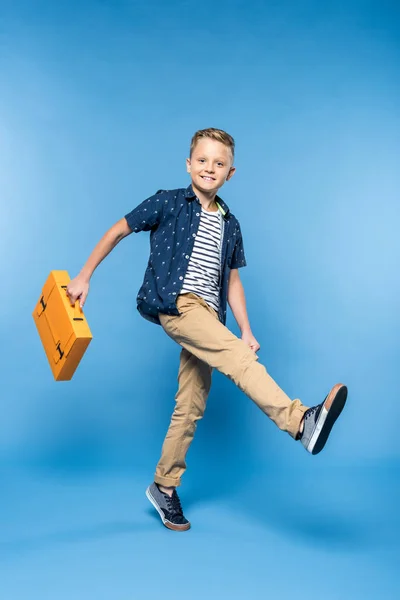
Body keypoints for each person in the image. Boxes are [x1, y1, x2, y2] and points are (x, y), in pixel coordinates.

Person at [66, 128, 348, 532]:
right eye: (202, 160)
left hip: (209, 316)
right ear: (188, 164)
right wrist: (84, 276)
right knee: (236, 360)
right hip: (178, 304)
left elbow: (232, 282)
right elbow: (118, 230)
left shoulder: (230, 223)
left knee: (191, 404)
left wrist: (247, 330)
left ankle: (163, 486)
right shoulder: (168, 202)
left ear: (230, 173)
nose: (209, 168)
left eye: (219, 163)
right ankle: (301, 422)